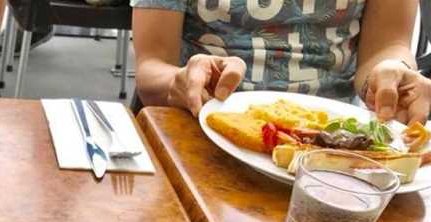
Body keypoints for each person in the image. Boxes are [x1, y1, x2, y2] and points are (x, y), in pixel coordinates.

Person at [131, 0, 431, 125]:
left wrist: (393, 74)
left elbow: (388, 44)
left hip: (331, 141)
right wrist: (179, 82)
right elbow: (152, 66)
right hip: (203, 126)